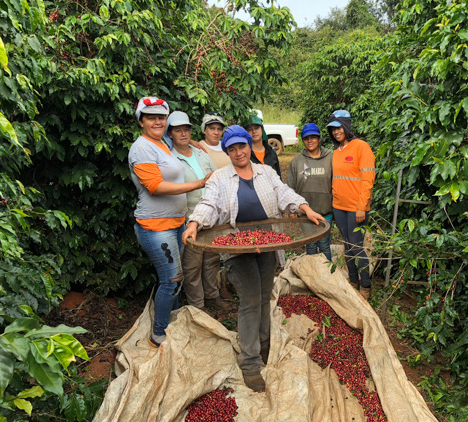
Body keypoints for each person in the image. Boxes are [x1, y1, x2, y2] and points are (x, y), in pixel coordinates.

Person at [182, 125, 324, 391]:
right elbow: (209, 204)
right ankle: (249, 362)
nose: (238, 152)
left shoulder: (265, 172)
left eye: (242, 146)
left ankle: (264, 346)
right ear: (227, 151)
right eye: (232, 149)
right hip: (238, 247)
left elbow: (284, 194)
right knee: (249, 299)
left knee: (263, 295)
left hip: (267, 243)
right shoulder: (220, 178)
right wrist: (194, 223)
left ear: (249, 146)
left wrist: (305, 208)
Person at [128, 97, 211, 347]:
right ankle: (159, 333)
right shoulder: (141, 148)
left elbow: (180, 141)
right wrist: (199, 183)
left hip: (176, 223)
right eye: (151, 117)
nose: (157, 121)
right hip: (156, 227)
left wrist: (196, 143)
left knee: (177, 278)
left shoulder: (161, 143)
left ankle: (172, 322)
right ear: (141, 121)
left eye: (161, 117)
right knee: (172, 280)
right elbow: (154, 186)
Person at [164, 111, 229, 312]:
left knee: (211, 259)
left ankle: (212, 295)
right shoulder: (169, 157)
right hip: (188, 216)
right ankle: (198, 305)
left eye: (186, 130)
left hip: (211, 215)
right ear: (171, 134)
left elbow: (215, 178)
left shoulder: (201, 153)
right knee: (192, 265)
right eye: (178, 130)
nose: (183, 134)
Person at [327, 110, 376, 300]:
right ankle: (352, 280)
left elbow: (367, 179)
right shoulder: (336, 152)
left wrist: (361, 206)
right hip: (339, 207)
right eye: (332, 129)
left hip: (356, 209)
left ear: (347, 126)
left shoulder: (361, 147)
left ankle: (365, 285)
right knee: (347, 246)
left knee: (356, 246)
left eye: (339, 127)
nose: (336, 132)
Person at [286, 123, 333, 261]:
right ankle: (313, 277)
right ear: (303, 140)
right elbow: (290, 186)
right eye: (306, 138)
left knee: (324, 245)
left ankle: (327, 277)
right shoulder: (297, 161)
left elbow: (336, 183)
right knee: (310, 245)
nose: (310, 141)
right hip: (305, 213)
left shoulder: (330, 158)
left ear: (319, 138)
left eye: (313, 137)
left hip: (326, 211)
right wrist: (292, 210)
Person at [244, 113, 281, 178]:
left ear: (262, 129)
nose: (254, 131)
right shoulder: (245, 154)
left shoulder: (271, 153)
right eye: (250, 129)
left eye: (256, 128)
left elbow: (278, 177)